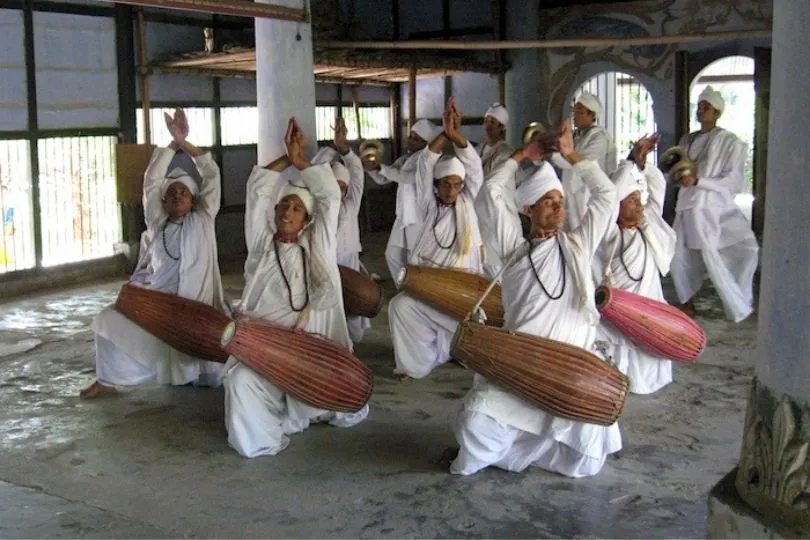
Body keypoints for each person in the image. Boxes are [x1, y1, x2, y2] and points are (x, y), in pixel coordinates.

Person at [448, 119, 622, 478]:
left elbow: (607, 197)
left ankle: (531, 450)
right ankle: (527, 447)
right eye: (547, 202)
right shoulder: (512, 250)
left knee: (589, 462)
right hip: (519, 370)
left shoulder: (578, 245)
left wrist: (572, 157)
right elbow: (492, 193)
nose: (558, 209)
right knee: (474, 425)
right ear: (527, 209)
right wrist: (521, 156)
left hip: (570, 374)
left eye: (560, 202)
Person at [223, 118, 368, 458]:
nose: (288, 211)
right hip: (264, 346)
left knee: (313, 393)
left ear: (307, 220)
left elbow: (330, 196)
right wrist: (286, 160)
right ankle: (260, 438)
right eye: (284, 206)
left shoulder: (318, 245)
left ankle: (300, 408)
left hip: (305, 351)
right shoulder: (261, 244)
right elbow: (256, 190)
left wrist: (302, 161)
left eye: (297, 208)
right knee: (238, 380)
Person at [81, 108, 227, 399]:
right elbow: (151, 181)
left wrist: (184, 143)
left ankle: (191, 375)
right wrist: (171, 143)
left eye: (182, 193)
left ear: (193, 199)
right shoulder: (158, 223)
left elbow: (211, 174)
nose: (176, 196)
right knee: (108, 320)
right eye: (171, 193)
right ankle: (109, 378)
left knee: (208, 360)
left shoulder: (203, 219)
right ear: (164, 201)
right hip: (159, 307)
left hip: (195, 307)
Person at [388, 97, 485, 381]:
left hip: (460, 285)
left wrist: (456, 135)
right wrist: (445, 133)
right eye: (446, 184)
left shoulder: (467, 201)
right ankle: (414, 365)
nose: (452, 190)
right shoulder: (427, 204)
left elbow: (475, 168)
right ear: (436, 185)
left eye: (457, 185)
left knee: (474, 321)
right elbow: (424, 165)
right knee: (400, 306)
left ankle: (459, 351)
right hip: (428, 282)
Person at [594, 134, 677, 395]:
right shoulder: (608, 233)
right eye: (631, 200)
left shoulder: (649, 224)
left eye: (639, 199)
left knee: (648, 355)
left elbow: (659, 188)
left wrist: (643, 166)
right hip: (620, 310)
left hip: (649, 307)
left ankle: (643, 381)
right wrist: (629, 163)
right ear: (617, 207)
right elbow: (610, 196)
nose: (639, 205)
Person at [670, 86, 758, 322]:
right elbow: (677, 167)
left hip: (711, 208)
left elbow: (734, 180)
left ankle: (738, 302)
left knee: (728, 253)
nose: (701, 110)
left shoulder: (730, 142)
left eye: (707, 107)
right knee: (678, 255)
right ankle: (686, 302)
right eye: (699, 106)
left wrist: (700, 181)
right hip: (686, 206)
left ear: (718, 112)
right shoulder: (687, 140)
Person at [312, 117, 370, 343]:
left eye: (342, 187)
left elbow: (357, 173)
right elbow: (314, 170)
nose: (338, 191)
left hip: (349, 260)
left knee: (353, 305)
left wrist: (344, 149)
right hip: (324, 262)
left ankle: (351, 341)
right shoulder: (317, 206)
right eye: (334, 186)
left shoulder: (351, 204)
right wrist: (332, 148)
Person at [365, 119, 438, 286]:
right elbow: (384, 179)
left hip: (418, 217)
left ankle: (418, 291)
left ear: (425, 143)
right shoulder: (406, 158)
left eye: (414, 138)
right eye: (410, 136)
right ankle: (404, 288)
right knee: (392, 253)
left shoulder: (427, 161)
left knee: (415, 257)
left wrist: (380, 167)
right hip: (404, 215)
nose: (409, 140)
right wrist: (370, 167)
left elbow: (405, 177)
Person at [551, 92, 616, 232]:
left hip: (589, 195)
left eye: (580, 111)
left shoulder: (600, 137)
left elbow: (580, 162)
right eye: (575, 110)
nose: (575, 114)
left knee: (588, 233)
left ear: (592, 115)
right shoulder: (575, 135)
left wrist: (556, 155)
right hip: (571, 194)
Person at [477, 103, 514, 179]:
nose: (488, 126)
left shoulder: (506, 152)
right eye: (486, 121)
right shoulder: (479, 148)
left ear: (501, 127)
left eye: (492, 122)